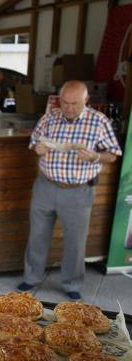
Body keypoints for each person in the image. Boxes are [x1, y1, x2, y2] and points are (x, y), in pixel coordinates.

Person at [18, 81, 121, 300]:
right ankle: (32, 276)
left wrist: (95, 156)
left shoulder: (99, 121)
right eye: (64, 103)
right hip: (45, 185)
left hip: (78, 191)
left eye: (74, 104)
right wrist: (37, 147)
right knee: (37, 235)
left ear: (86, 101)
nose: (68, 108)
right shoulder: (49, 118)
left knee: (75, 241)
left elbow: (112, 154)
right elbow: (34, 142)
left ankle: (72, 283)